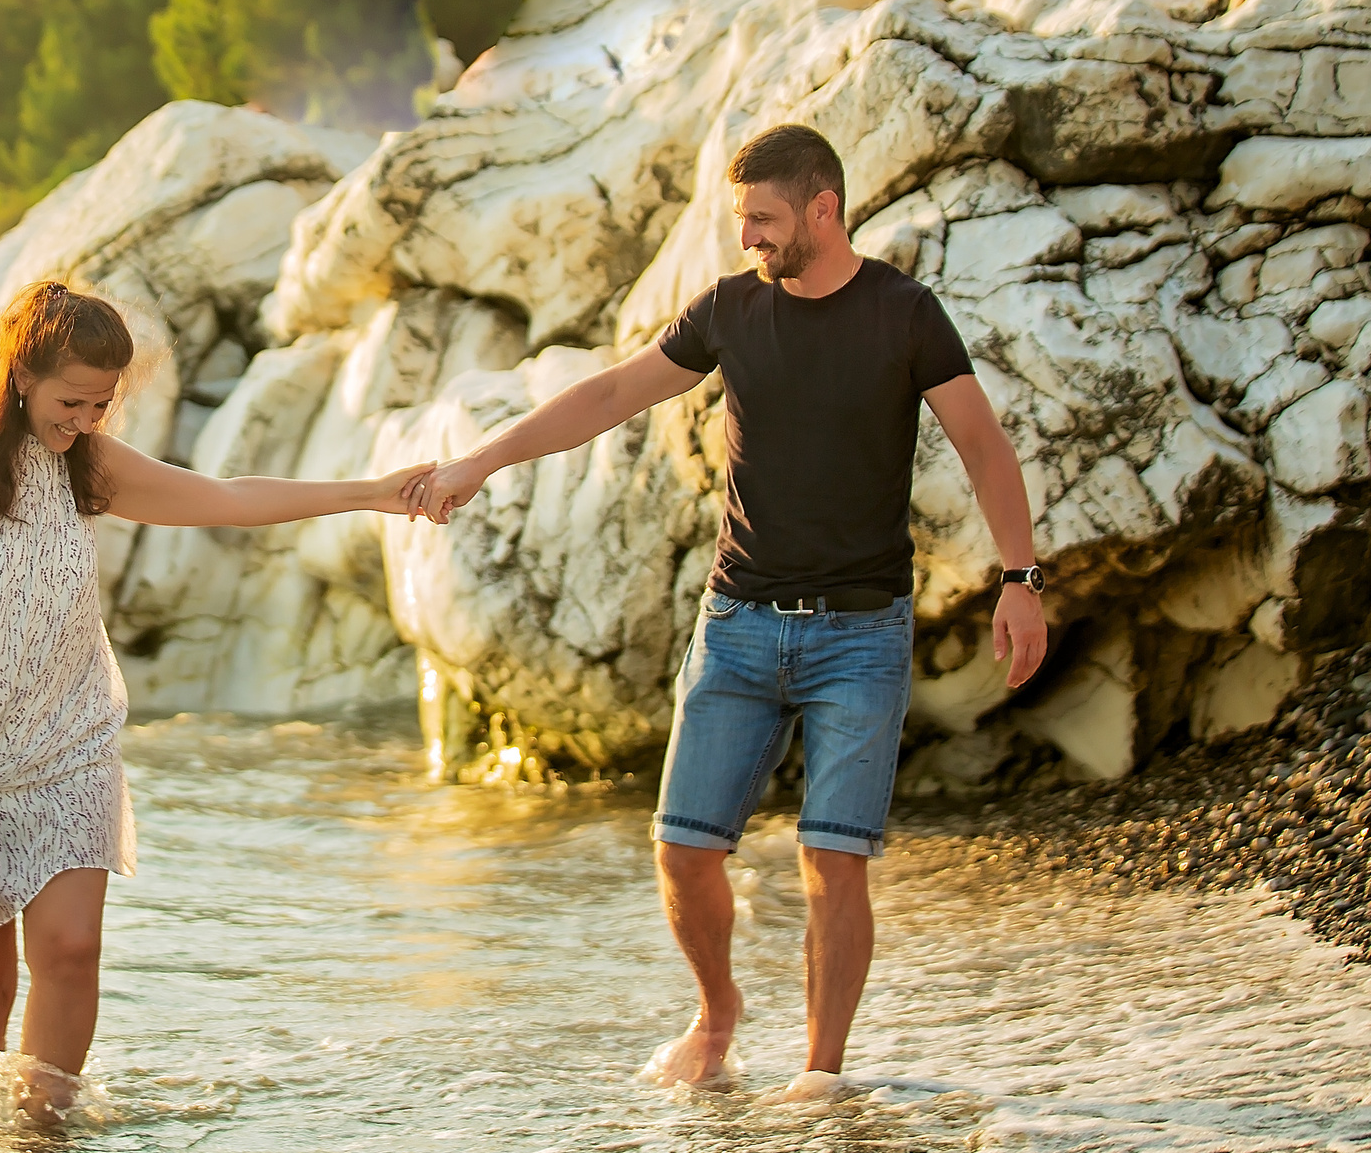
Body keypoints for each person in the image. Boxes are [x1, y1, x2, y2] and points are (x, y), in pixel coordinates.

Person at [409, 124, 1047, 1098]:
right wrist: (481, 461)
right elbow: (614, 391)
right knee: (682, 849)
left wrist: (1019, 578)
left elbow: (982, 446)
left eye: (763, 218)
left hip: (859, 635)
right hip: (738, 624)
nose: (747, 236)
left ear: (823, 210)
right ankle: (717, 1014)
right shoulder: (731, 311)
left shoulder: (904, 314)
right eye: (740, 218)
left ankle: (820, 1078)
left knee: (834, 861)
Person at [0, 280, 433, 1114]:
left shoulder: (90, 465)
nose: (86, 418)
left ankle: (46, 1139)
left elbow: (228, 500)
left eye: (101, 402)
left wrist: (372, 491)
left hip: (68, 750)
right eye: (71, 399)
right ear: (20, 373)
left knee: (74, 949)